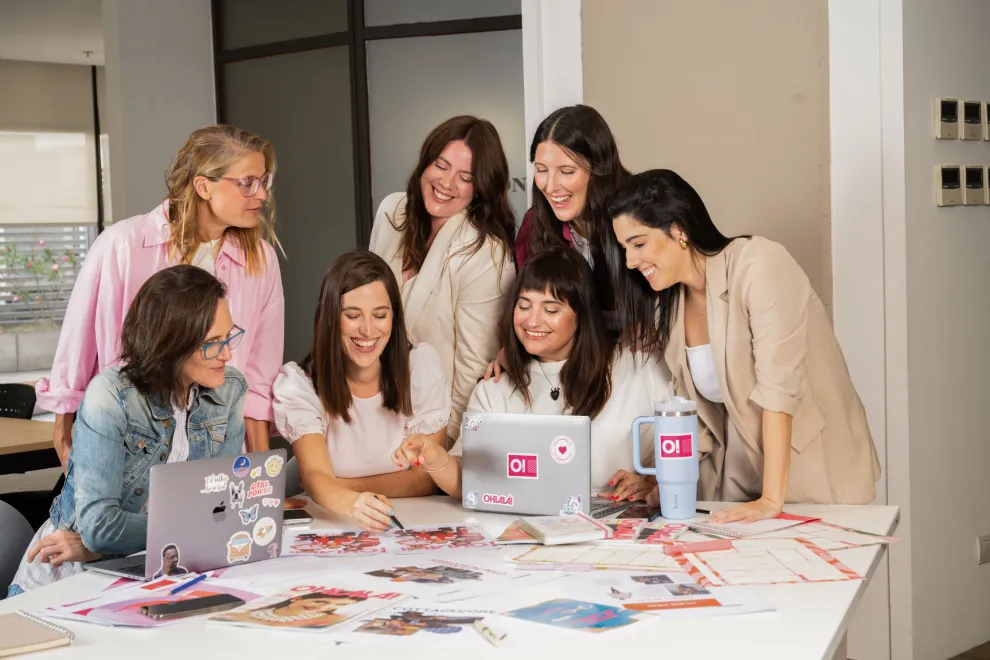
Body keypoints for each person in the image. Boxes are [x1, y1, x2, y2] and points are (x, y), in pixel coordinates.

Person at [609, 169, 881, 521]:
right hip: (740, 486)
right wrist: (663, 478)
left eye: (638, 243)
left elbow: (778, 391)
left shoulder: (759, 264)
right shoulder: (670, 306)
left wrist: (770, 500)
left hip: (815, 478)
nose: (630, 261)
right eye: (624, 249)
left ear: (677, 230)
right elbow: (703, 421)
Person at [37, 124, 284, 472]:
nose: (261, 195)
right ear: (203, 185)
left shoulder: (260, 258)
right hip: (130, 437)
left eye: (264, 181)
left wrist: (258, 469)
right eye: (247, 183)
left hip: (217, 443)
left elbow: (260, 371)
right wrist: (65, 423)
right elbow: (80, 339)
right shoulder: (123, 244)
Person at [8, 266, 249, 595]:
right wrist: (196, 525)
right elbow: (102, 528)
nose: (228, 354)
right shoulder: (110, 397)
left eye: (228, 336)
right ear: (170, 345)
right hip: (68, 574)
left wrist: (103, 544)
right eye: (211, 343)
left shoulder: (229, 389)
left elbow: (224, 510)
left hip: (157, 568)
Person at [394, 248, 670, 501]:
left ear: (582, 314)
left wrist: (653, 480)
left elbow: (684, 449)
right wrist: (435, 458)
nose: (532, 321)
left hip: (616, 530)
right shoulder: (494, 389)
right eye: (524, 306)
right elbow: (470, 480)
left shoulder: (638, 370)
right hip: (522, 536)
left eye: (551, 309)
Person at [273, 251, 451, 533]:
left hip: (410, 520)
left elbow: (426, 479)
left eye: (380, 315)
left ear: (394, 317)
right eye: (353, 316)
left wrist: (343, 490)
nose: (368, 330)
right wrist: (350, 500)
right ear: (331, 318)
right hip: (328, 523)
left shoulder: (421, 368)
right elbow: (315, 475)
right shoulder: (300, 384)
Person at [368, 116, 516, 446]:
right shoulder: (393, 212)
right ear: (426, 161)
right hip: (370, 413)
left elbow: (474, 369)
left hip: (433, 430)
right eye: (441, 165)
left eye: (465, 177)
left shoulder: (485, 252)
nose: (447, 183)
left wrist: (446, 448)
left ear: (479, 189)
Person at [487, 105, 654, 376]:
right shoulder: (535, 227)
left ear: (598, 169)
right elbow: (532, 305)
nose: (551, 186)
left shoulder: (641, 216)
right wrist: (512, 351)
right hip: (572, 369)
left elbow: (681, 292)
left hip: (640, 364)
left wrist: (660, 324)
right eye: (542, 170)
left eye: (566, 171)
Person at [214, 591, 366, 628]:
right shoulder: (237, 615)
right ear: (296, 597)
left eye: (339, 605)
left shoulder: (335, 621)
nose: (323, 607)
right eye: (319, 600)